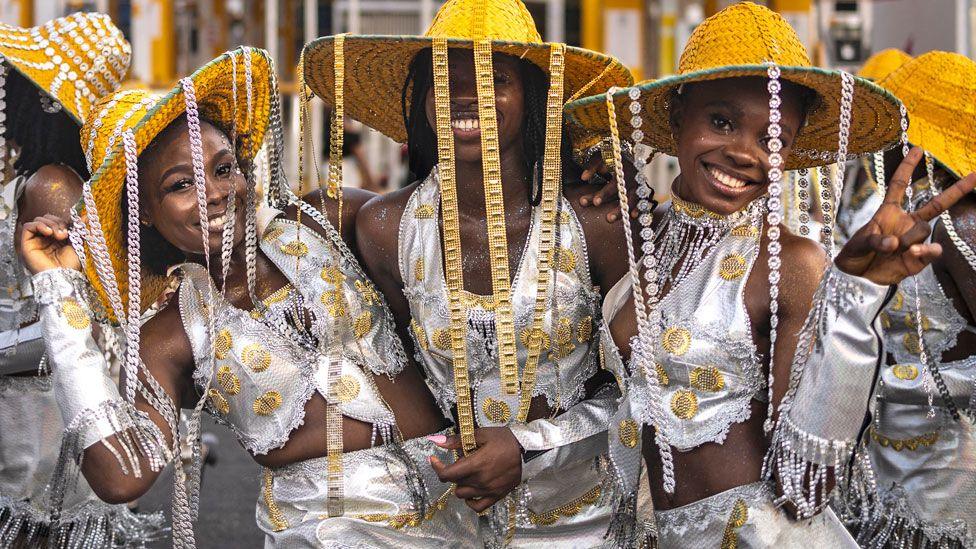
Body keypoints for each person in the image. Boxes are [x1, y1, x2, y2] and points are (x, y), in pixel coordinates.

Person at [21, 47, 477, 547]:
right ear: (145, 212)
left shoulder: (326, 221)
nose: (215, 193)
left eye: (222, 169)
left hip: (464, 511)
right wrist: (58, 292)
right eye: (180, 185)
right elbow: (121, 477)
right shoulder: (170, 333)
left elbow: (458, 224)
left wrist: (574, 179)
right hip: (325, 534)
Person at [564, 3, 976, 546]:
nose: (743, 153)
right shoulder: (635, 234)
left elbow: (802, 485)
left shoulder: (791, 262)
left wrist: (857, 298)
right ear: (676, 114)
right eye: (722, 121)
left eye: (773, 139)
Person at [300, 0, 635, 544]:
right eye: (442, 78)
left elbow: (645, 388)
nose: (464, 92)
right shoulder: (386, 229)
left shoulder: (594, 223)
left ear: (532, 97)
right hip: (443, 516)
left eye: (493, 77)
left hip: (579, 519)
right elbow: (400, 377)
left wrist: (530, 448)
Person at [0, 12, 165, 547]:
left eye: (14, 82)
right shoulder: (42, 179)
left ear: (41, 100)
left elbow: (74, 317)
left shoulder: (52, 186)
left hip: (37, 414)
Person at [841, 51, 976, 549]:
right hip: (888, 455)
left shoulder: (961, 226)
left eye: (888, 129)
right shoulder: (905, 211)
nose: (874, 142)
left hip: (949, 472)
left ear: (916, 144)